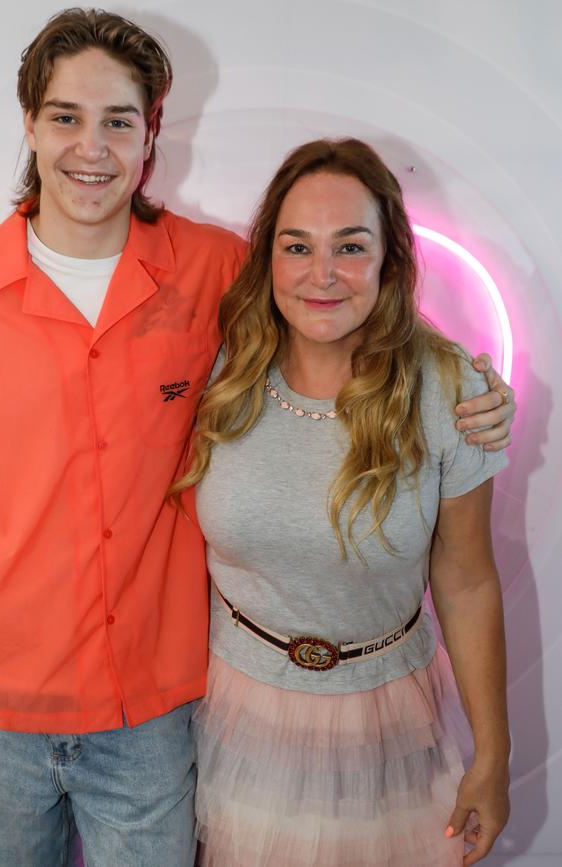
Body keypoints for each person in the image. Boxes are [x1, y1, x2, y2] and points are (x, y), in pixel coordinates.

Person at [0, 9, 512, 867]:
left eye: (119, 120)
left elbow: (336, 298)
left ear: (151, 132)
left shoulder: (216, 269)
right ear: (31, 125)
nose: (92, 146)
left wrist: (475, 386)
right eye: (65, 117)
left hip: (156, 709)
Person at [173, 138, 511, 867]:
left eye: (350, 246)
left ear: (391, 259)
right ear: (268, 258)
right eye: (297, 246)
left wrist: (494, 752)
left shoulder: (452, 391)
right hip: (233, 715)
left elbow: (468, 579)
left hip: (388, 724)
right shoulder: (217, 369)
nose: (322, 275)